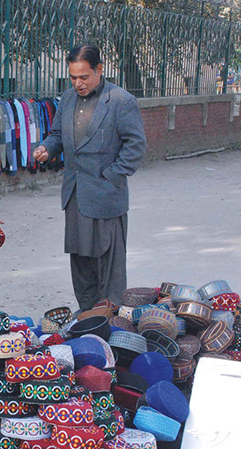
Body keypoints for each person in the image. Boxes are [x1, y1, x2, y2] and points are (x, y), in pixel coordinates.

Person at [33, 44, 146, 311]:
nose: (78, 83)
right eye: (73, 77)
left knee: (109, 265)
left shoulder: (120, 100)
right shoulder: (68, 99)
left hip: (107, 196)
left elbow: (136, 145)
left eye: (84, 77)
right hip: (75, 195)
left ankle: (111, 317)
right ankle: (87, 315)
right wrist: (46, 149)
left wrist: (112, 176)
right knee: (81, 262)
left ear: (99, 70)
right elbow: (58, 135)